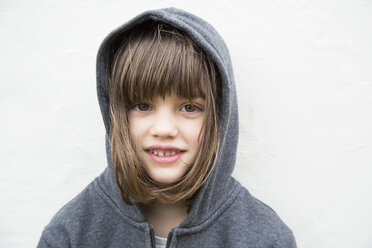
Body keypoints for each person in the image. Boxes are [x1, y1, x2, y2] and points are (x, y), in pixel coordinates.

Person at [37, 8, 296, 248]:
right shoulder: (69, 235)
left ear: (219, 116)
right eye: (142, 105)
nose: (163, 129)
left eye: (189, 108)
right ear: (116, 113)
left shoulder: (267, 238)